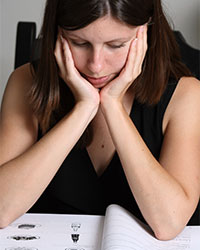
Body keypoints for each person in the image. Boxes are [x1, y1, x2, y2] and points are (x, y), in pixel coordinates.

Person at [0, 0, 200, 240]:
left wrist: (113, 107)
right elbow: (2, 209)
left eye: (116, 45)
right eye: (79, 43)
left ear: (145, 32)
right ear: (57, 32)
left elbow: (168, 223)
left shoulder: (186, 96)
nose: (96, 66)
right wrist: (83, 109)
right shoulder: (25, 83)